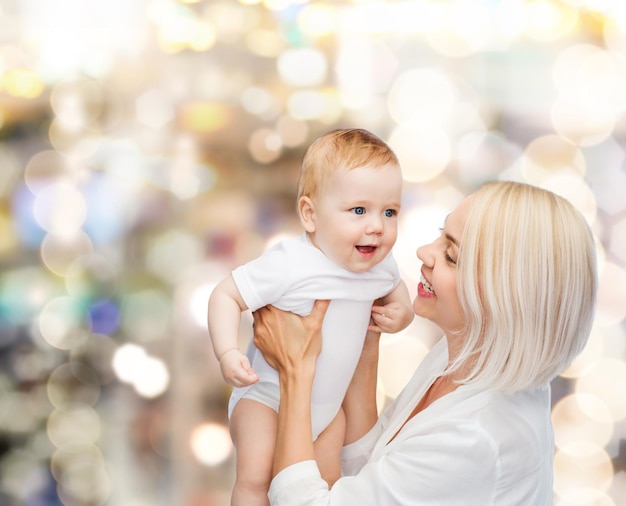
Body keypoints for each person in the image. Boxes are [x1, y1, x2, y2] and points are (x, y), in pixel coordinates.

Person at [252, 180, 598, 505]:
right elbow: (375, 469)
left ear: (505, 298)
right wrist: (366, 344)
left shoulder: (475, 437)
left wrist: (296, 371)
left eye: (451, 256)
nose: (423, 252)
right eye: (440, 235)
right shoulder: (467, 354)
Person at [207, 128, 414, 505]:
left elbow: (398, 296)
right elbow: (225, 294)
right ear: (310, 215)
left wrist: (401, 315)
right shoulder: (291, 263)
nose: (377, 226)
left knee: (326, 485)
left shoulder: (380, 267)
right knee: (256, 477)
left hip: (328, 410)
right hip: (267, 398)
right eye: (358, 210)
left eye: (389, 212)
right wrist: (226, 352)